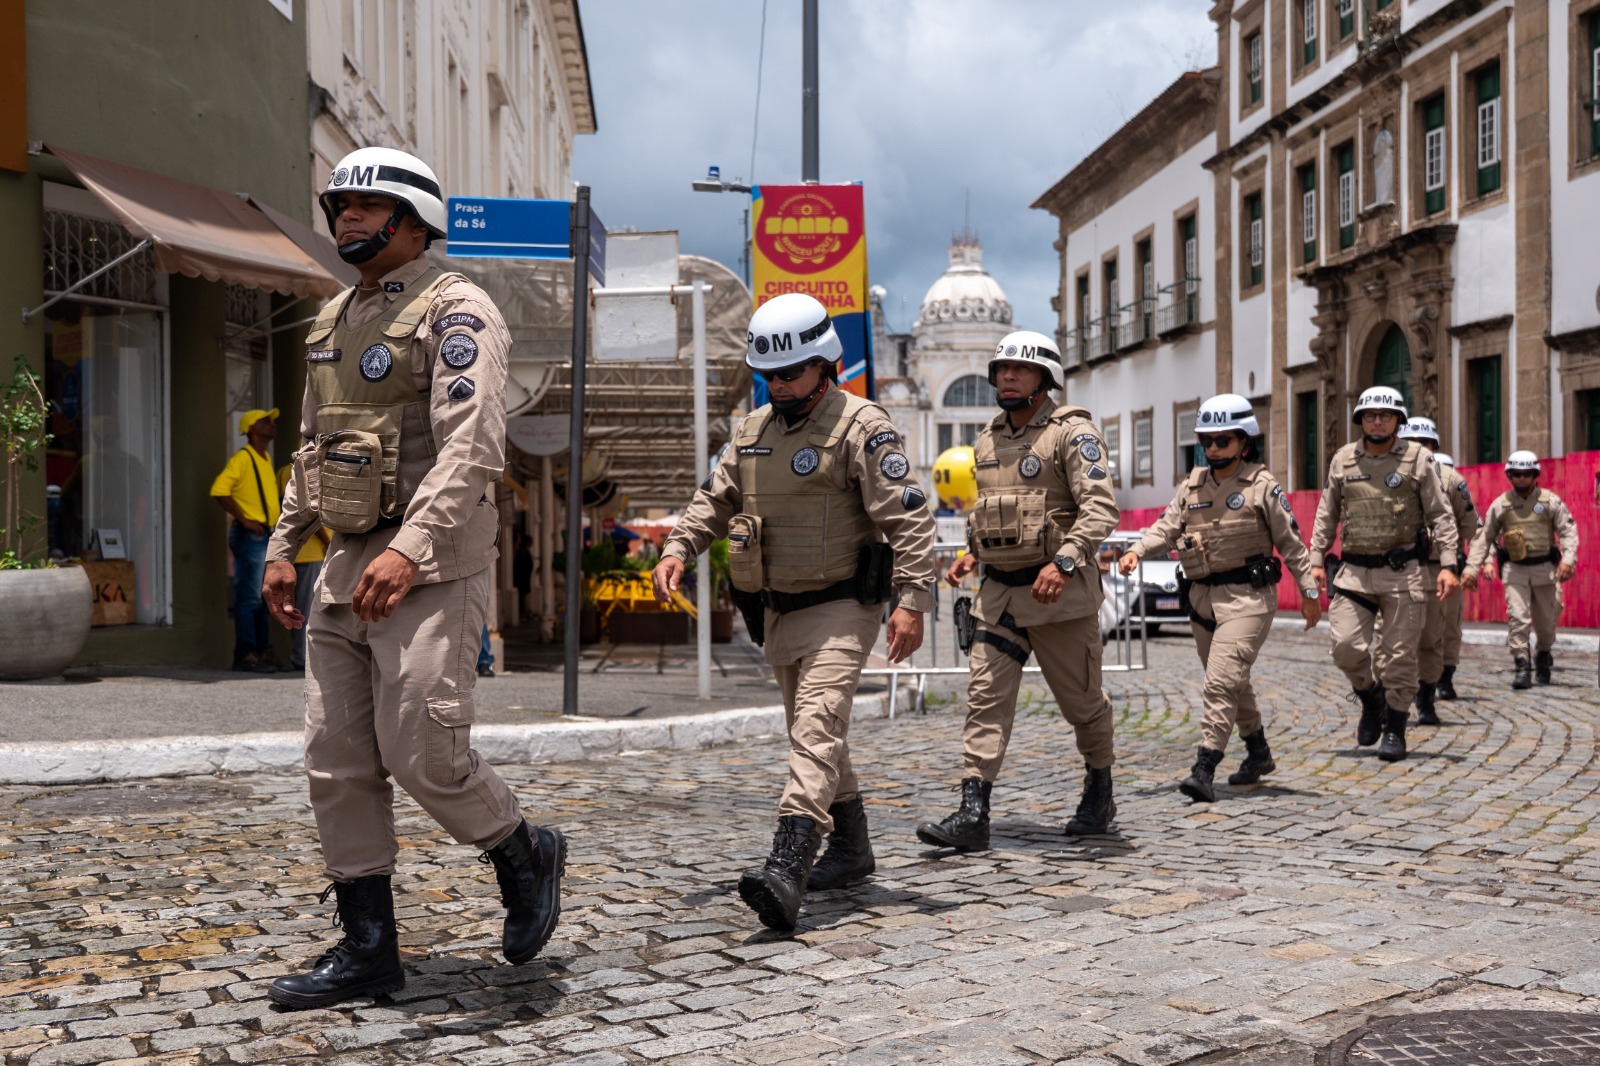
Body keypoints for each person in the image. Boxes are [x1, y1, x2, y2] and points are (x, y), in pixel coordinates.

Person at [261, 147, 563, 1008]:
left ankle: (522, 849)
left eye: (367, 206)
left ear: (413, 219)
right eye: (340, 206)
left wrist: (411, 548)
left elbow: (471, 446)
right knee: (336, 758)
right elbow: (312, 453)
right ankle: (368, 950)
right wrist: (286, 545)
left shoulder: (457, 310)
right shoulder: (329, 322)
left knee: (423, 753)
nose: (347, 219)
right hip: (347, 565)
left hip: (430, 567)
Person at [652, 292, 937, 931]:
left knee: (815, 727)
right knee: (813, 733)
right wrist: (677, 550)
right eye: (769, 375)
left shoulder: (863, 428)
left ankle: (788, 864)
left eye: (791, 372)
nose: (778, 385)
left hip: (843, 605)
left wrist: (912, 603)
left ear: (823, 363)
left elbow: (910, 521)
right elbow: (711, 500)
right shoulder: (751, 432)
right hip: (778, 612)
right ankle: (854, 848)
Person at [914, 330, 1121, 852]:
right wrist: (972, 553)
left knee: (1083, 704)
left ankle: (1100, 788)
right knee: (984, 699)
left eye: (1019, 369)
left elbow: (1100, 509)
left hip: (1059, 598)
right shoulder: (987, 439)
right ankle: (973, 811)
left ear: (1044, 379)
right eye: (1001, 368)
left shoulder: (1073, 435)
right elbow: (995, 511)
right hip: (999, 597)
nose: (1007, 376)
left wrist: (1066, 561)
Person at [1116, 394, 1319, 801]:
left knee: (1220, 682)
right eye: (1205, 441)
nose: (1212, 449)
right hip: (1202, 601)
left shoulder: (1263, 487)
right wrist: (1138, 549)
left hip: (1248, 600)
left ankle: (1204, 767)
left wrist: (1310, 590)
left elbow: (1292, 544)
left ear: (1244, 442)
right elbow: (1166, 527)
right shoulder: (1191, 486)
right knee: (1233, 682)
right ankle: (1258, 752)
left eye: (1222, 440)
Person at [1308, 387, 1459, 763]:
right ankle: (1370, 698)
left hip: (1403, 573)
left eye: (1386, 415)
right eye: (1370, 415)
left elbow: (1441, 515)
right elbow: (1327, 513)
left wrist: (1451, 565)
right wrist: (1314, 559)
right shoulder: (1342, 459)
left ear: (1398, 421)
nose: (1378, 420)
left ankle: (1395, 726)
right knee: (1345, 647)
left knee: (1400, 656)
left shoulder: (1419, 459)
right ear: (1360, 420)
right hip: (1354, 573)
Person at [1463, 451, 1579, 688]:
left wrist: (1568, 559)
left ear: (1535, 475)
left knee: (1547, 624)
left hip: (1545, 569)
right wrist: (1471, 569)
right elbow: (1485, 538)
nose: (1522, 479)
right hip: (1515, 571)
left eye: (1527, 474)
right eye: (1517, 474)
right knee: (1518, 618)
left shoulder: (1550, 501)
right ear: (1510, 476)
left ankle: (1543, 654)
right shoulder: (1501, 505)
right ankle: (1521, 665)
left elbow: (1568, 531)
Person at [1395, 419, 1479, 719]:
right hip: (1396, 571)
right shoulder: (1386, 476)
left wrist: (1473, 565)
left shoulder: (1453, 480)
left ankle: (1427, 696)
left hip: (1436, 572)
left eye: (1424, 443)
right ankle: (1390, 702)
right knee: (1393, 640)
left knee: (1432, 639)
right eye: (1411, 441)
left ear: (1434, 447)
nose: (1418, 448)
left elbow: (1475, 529)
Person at [211, 409, 280, 672]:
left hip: (264, 534)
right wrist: (245, 520)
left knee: (262, 597)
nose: (272, 425)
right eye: (265, 422)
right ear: (251, 428)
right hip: (252, 535)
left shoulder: (263, 457)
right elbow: (219, 490)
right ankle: (246, 655)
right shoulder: (243, 458)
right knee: (250, 597)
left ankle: (262, 652)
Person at [275, 462, 330, 671]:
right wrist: (328, 542)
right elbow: (305, 510)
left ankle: (303, 657)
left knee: (303, 609)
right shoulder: (295, 468)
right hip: (308, 553)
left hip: (306, 553)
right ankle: (303, 659)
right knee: (307, 610)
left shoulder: (288, 469)